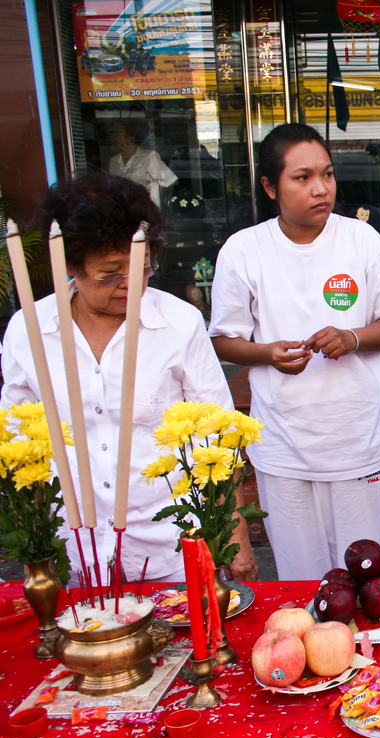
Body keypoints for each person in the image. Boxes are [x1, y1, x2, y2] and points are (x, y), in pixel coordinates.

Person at [0, 172, 256, 584]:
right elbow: (15, 442)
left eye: (141, 266)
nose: (129, 283)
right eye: (109, 273)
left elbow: (220, 435)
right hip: (73, 550)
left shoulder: (177, 322)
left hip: (170, 544)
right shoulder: (28, 330)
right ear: (69, 265)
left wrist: (236, 534)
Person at [209, 123, 380, 580]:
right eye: (302, 178)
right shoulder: (244, 251)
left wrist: (352, 338)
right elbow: (224, 337)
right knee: (305, 580)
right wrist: (266, 353)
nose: (321, 189)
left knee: (376, 578)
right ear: (269, 185)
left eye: (328, 174)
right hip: (284, 448)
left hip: (358, 442)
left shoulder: (361, 241)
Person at [109, 121, 177, 207]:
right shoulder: (114, 161)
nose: (115, 135)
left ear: (131, 136)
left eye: (119, 131)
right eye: (113, 132)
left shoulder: (149, 156)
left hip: (145, 210)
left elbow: (170, 181)